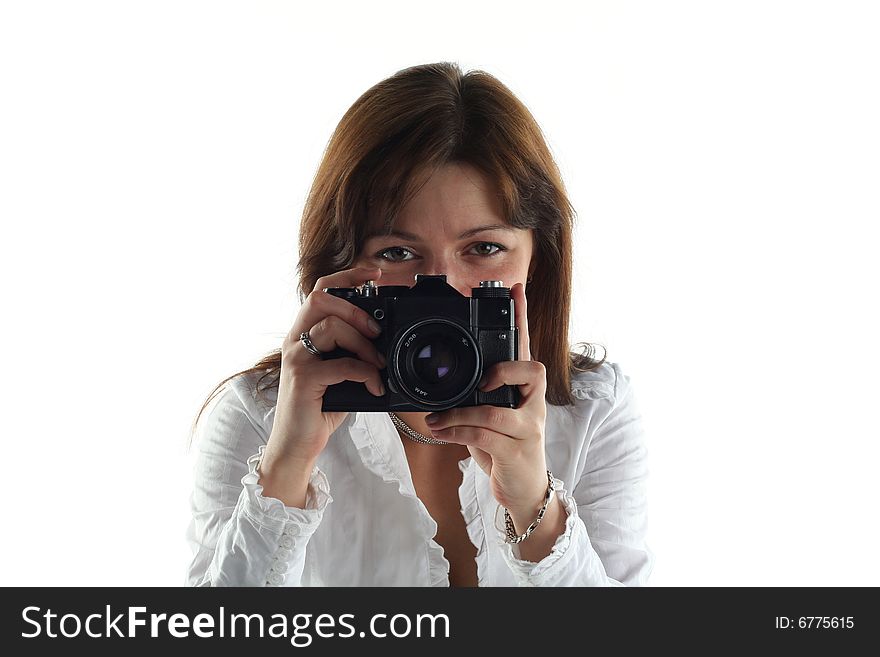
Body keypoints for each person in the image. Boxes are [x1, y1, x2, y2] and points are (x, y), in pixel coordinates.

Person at [185, 62, 653, 587]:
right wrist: (288, 464)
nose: (441, 287)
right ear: (341, 263)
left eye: (484, 248)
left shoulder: (593, 410)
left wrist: (532, 500)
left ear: (536, 261)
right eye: (400, 251)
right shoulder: (258, 417)